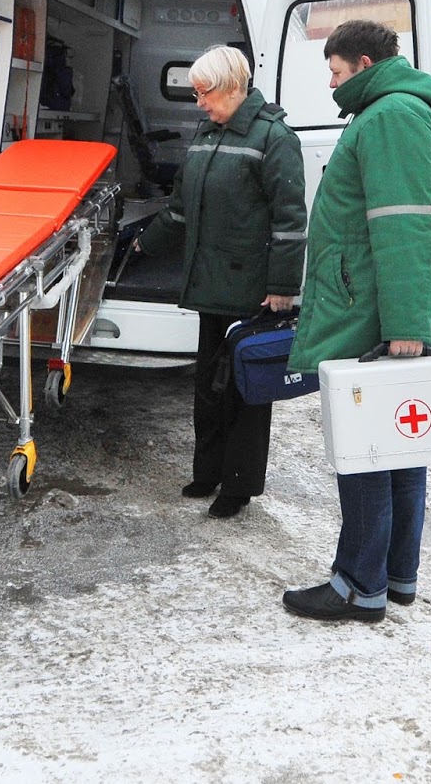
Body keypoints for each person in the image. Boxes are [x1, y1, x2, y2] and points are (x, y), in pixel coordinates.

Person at [281, 19, 431, 623]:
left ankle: (358, 585)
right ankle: (393, 576)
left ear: (362, 63)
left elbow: (405, 225)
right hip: (382, 310)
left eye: (335, 72)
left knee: (367, 451)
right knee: (400, 449)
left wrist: (406, 327)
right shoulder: (392, 111)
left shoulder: (390, 117)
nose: (330, 84)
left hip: (379, 317)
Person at [136, 45, 306, 518]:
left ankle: (239, 485)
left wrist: (283, 287)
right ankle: (207, 472)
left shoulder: (274, 138)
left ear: (233, 86)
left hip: (252, 289)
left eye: (203, 92)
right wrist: (143, 245)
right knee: (208, 387)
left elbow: (290, 221)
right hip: (211, 284)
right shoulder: (206, 133)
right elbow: (180, 208)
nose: (198, 103)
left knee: (246, 390)